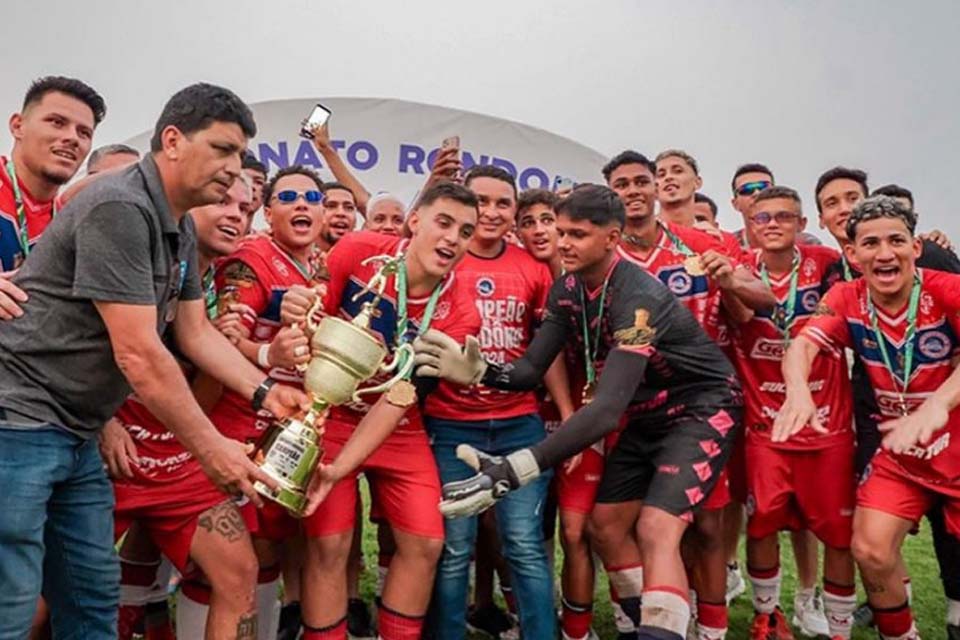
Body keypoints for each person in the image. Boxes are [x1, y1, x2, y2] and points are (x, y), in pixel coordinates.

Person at [0, 82, 309, 640]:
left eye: (240, 156)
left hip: (77, 428)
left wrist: (265, 390)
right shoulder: (120, 205)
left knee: (91, 595)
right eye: (221, 149)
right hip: (20, 422)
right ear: (171, 140)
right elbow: (140, 353)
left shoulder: (179, 222)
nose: (234, 169)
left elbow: (195, 333)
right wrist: (212, 447)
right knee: (13, 601)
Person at [414, 184, 743, 640]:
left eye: (578, 234)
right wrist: (479, 372)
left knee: (656, 528)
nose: (564, 242)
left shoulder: (637, 296)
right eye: (560, 230)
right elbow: (529, 371)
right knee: (605, 527)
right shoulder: (567, 287)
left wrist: (515, 468)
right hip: (647, 413)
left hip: (702, 406)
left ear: (612, 238)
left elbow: (606, 412)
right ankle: (648, 628)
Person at [279, 181, 481, 640]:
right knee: (329, 544)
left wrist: (341, 467)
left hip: (397, 424)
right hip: (330, 411)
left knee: (427, 542)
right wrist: (297, 309)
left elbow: (400, 396)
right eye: (443, 223)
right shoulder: (359, 249)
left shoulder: (462, 311)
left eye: (465, 232)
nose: (452, 238)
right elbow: (314, 315)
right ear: (415, 222)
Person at [776, 195, 960, 640]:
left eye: (896, 240)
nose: (884, 253)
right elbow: (802, 345)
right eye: (870, 243)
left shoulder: (945, 288)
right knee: (870, 549)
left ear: (915, 248)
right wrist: (798, 391)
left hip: (955, 447)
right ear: (853, 255)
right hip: (902, 453)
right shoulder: (844, 296)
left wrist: (938, 403)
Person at [605, 149, 770, 640]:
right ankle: (641, 622)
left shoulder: (699, 242)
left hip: (702, 403)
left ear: (657, 189)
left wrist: (730, 277)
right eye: (622, 184)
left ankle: (711, 629)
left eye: (643, 181)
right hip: (634, 406)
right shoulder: (606, 254)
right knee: (620, 524)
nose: (634, 191)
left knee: (707, 528)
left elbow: (761, 302)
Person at [103, 176, 261, 640]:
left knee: (239, 572)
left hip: (180, 458)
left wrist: (265, 377)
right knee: (40, 596)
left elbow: (207, 366)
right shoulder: (133, 253)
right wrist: (103, 420)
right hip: (111, 454)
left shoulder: (227, 279)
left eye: (247, 208)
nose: (235, 213)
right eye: (222, 200)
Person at [421, 165, 564, 640]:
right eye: (482, 201)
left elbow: (549, 352)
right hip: (451, 425)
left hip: (518, 425)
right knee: (454, 546)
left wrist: (565, 416)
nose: (493, 211)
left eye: (505, 203)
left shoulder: (533, 267)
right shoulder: (443, 259)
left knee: (523, 542)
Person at [732, 186, 856, 640]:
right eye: (763, 217)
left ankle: (839, 627)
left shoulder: (826, 263)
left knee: (839, 533)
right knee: (762, 524)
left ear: (803, 224)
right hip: (766, 425)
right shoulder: (740, 269)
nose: (773, 224)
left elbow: (865, 257)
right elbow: (738, 318)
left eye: (785, 216)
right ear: (751, 224)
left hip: (827, 422)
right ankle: (767, 617)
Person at [1, 76, 105, 275]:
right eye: (57, 122)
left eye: (84, 133)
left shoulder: (70, 219)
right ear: (17, 126)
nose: (72, 138)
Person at [728, 163, 821, 249]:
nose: (757, 193)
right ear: (735, 204)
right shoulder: (727, 246)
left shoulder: (808, 244)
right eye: (746, 190)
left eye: (765, 187)